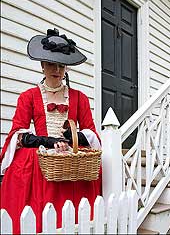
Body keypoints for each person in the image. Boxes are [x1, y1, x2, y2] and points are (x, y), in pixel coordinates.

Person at [0, 28, 101, 234]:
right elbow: (17, 134)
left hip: (69, 162)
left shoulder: (79, 97)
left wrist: (74, 137)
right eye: (51, 64)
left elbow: (91, 132)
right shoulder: (28, 97)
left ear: (66, 68)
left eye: (61, 65)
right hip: (42, 158)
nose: (56, 69)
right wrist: (46, 141)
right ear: (42, 66)